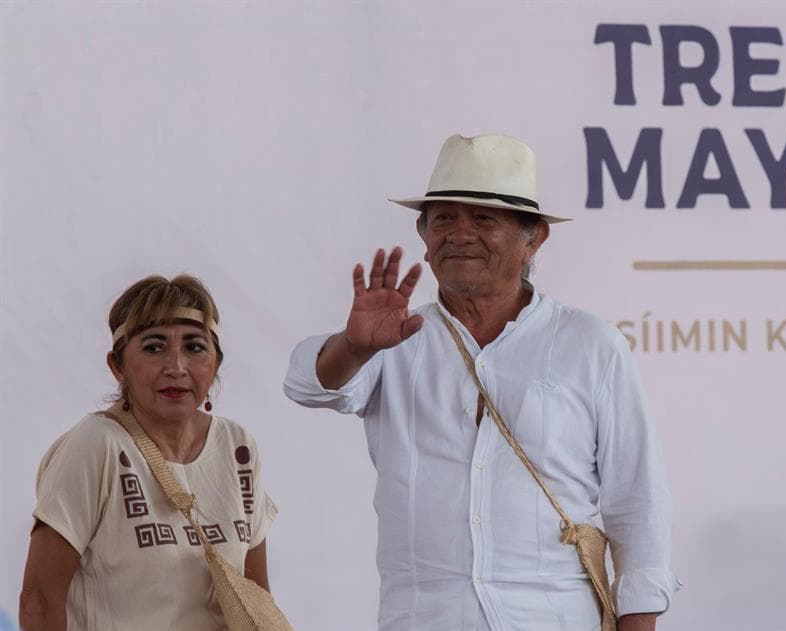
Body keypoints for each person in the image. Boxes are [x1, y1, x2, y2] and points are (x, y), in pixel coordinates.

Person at [283, 133, 678, 630]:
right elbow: (307, 385)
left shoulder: (590, 343)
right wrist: (355, 347)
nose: (459, 233)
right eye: (444, 218)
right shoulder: (393, 340)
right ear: (423, 235)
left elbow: (638, 501)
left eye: (484, 218)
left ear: (533, 237)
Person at [20, 275, 278, 631]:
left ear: (216, 362)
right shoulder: (97, 445)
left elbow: (256, 597)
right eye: (153, 347)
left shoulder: (237, 447)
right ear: (118, 365)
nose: (176, 367)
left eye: (195, 347)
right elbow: (40, 599)